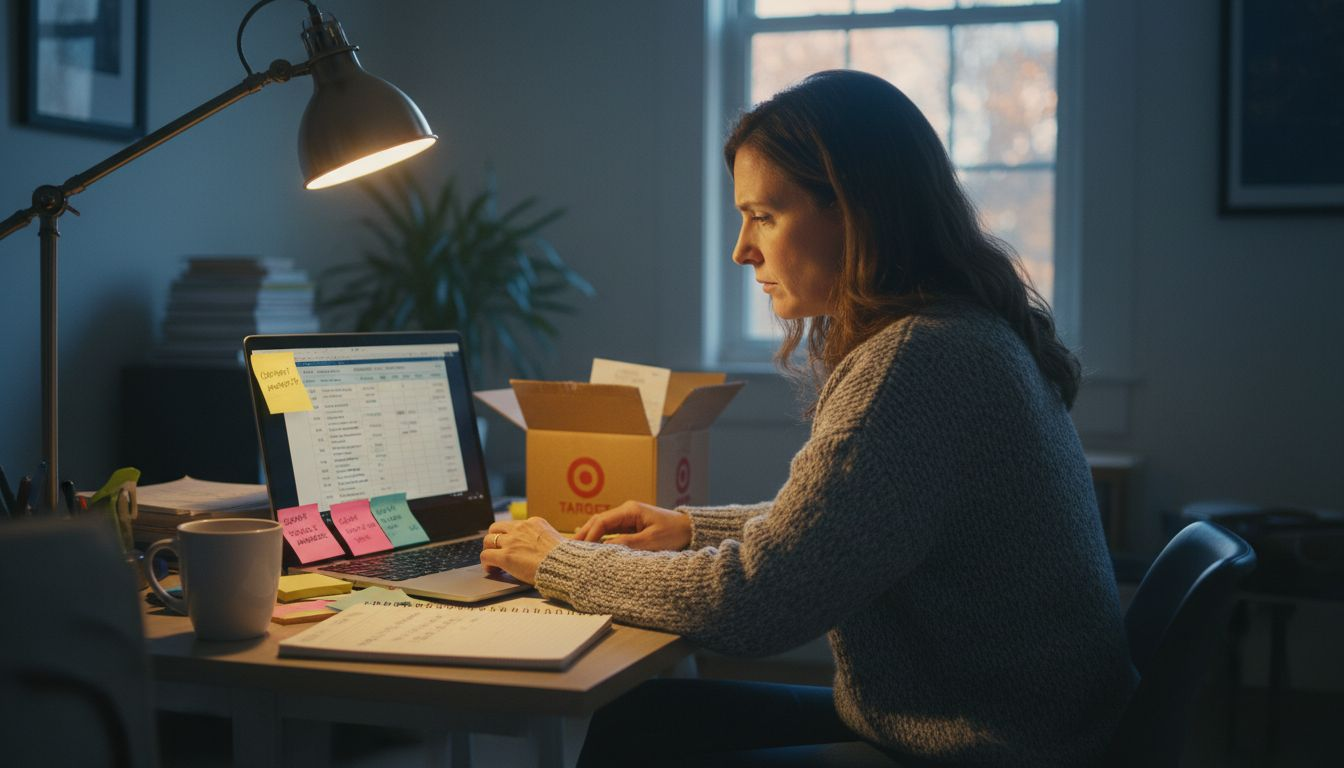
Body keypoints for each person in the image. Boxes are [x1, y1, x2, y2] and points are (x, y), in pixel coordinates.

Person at [479, 70, 1136, 767]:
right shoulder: (960, 334)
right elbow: (854, 524)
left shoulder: (917, 362)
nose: (742, 249)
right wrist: (691, 528)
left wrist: (556, 559)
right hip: (1012, 726)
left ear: (856, 211)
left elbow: (752, 605)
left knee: (639, 737)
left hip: (983, 748)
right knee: (640, 720)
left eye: (764, 215)